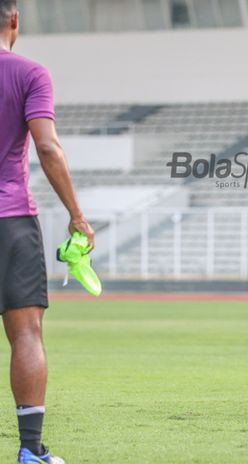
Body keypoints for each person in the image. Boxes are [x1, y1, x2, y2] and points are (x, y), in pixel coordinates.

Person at [0, 1, 95, 462]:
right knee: (25, 334)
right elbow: (48, 147)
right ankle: (30, 450)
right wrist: (77, 215)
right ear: (15, 19)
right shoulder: (30, 73)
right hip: (10, 219)